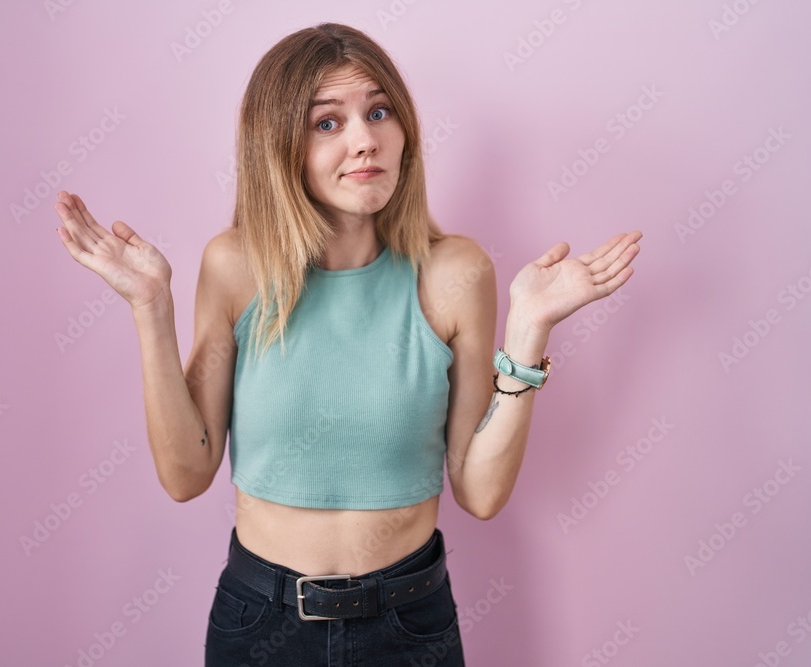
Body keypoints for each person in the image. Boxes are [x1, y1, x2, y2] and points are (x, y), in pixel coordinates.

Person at [54, 21, 641, 666]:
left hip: (410, 622)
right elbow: (187, 473)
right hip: (260, 624)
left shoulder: (455, 274)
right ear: (279, 146)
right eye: (326, 123)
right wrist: (150, 309)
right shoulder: (235, 267)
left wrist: (528, 332)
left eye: (379, 111)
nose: (365, 140)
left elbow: (480, 492)